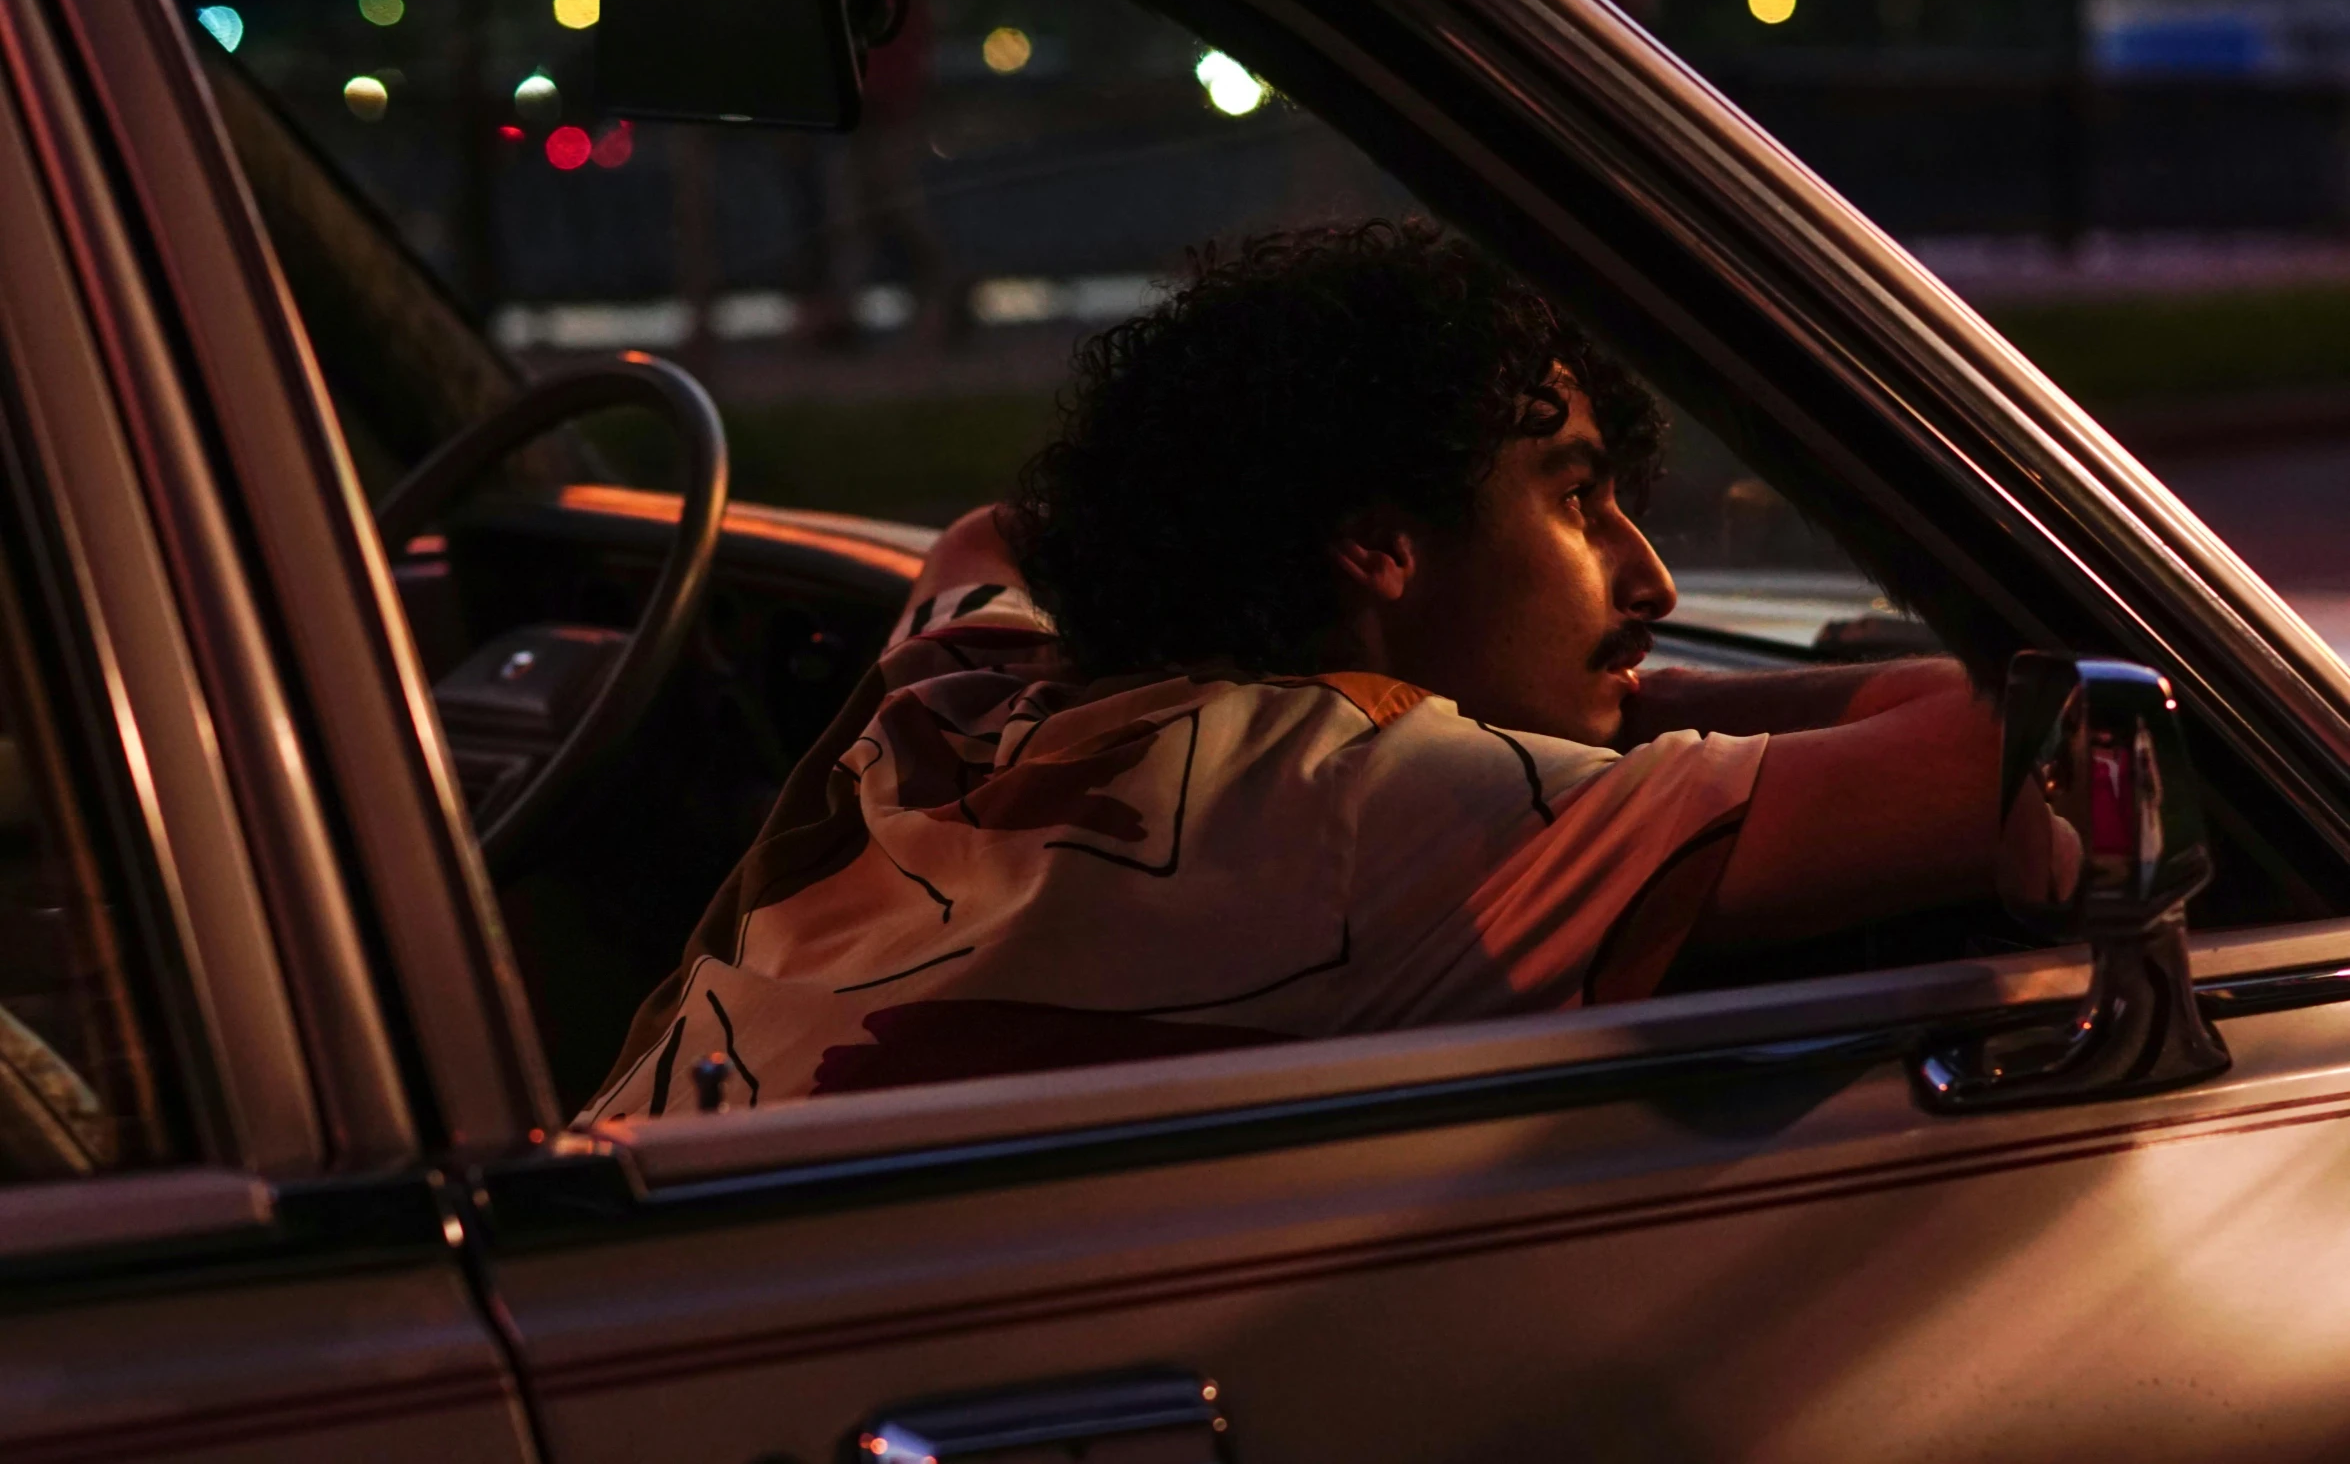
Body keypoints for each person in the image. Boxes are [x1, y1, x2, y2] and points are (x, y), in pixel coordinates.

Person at [582, 220, 1998, 1119]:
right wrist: (1640, 705)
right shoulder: (1360, 802)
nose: (1653, 581)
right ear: (1379, 544)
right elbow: (2015, 751)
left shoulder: (974, 674)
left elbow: (991, 535)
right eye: (1575, 501)